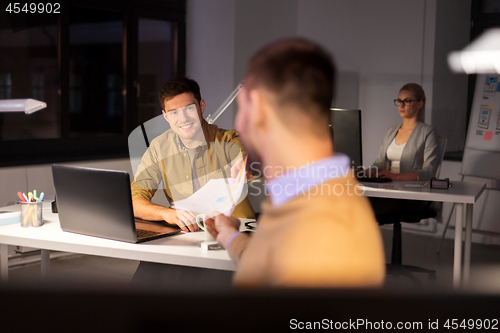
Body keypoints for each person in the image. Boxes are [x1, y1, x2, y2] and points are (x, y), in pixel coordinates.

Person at [205, 38, 385, 288]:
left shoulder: (322, 229)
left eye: (241, 109)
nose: (238, 125)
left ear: (257, 108)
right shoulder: (310, 196)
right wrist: (230, 235)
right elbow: (270, 264)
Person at [131, 77, 254, 289]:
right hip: (187, 235)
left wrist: (245, 165)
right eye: (174, 112)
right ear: (165, 116)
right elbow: (135, 199)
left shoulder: (228, 139)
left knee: (207, 286)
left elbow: (246, 161)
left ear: (201, 106)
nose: (183, 118)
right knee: (144, 279)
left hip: (231, 233)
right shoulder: (159, 147)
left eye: (189, 108)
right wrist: (167, 214)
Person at [367, 83, 441, 215]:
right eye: (399, 101)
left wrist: (395, 176)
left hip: (411, 194)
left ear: (419, 104)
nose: (401, 105)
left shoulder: (428, 132)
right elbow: (379, 163)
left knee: (364, 209)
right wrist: (363, 173)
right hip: (387, 188)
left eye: (407, 101)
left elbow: (429, 172)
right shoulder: (391, 130)